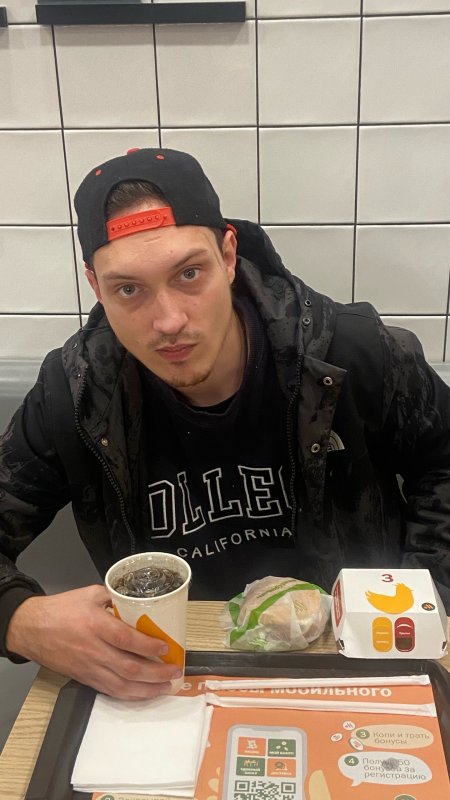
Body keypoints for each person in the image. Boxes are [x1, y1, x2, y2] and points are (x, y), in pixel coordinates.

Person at [1, 148, 449, 699]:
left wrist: (427, 596)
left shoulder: (351, 354)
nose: (169, 321)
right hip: (170, 674)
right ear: (96, 287)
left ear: (229, 255)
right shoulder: (74, 394)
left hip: (356, 660)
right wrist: (19, 618)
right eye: (128, 289)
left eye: (189, 273)